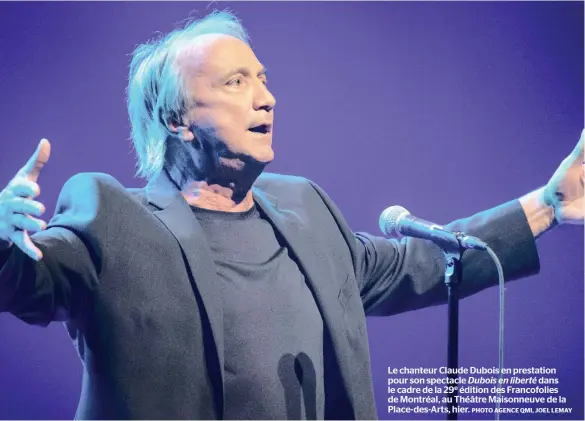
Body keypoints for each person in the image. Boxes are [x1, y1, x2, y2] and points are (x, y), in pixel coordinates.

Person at [0, 10, 582, 421]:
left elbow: (422, 263)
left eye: (262, 79)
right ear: (176, 119)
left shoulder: (305, 208)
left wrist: (549, 205)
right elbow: (31, 281)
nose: (266, 97)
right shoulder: (111, 216)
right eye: (235, 82)